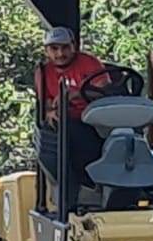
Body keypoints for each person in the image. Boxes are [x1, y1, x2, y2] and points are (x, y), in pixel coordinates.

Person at [35, 26, 106, 186]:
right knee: (64, 134)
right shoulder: (43, 72)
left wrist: (76, 94)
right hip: (67, 123)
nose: (60, 54)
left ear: (74, 46)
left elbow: (105, 92)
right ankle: (80, 186)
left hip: (96, 119)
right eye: (54, 48)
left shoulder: (90, 63)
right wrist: (52, 112)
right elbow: (45, 105)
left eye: (65, 47)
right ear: (46, 51)